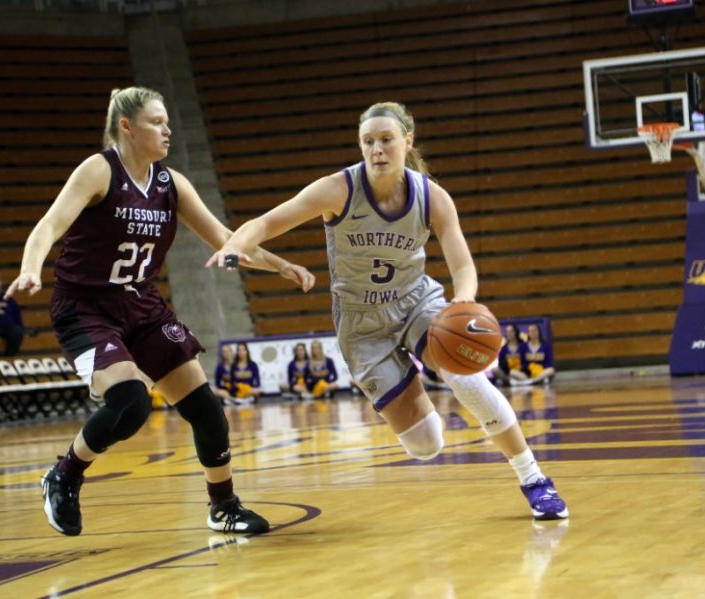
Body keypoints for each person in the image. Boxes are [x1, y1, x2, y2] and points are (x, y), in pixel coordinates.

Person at [207, 101, 568, 520]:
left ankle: (534, 479)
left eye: (386, 140)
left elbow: (463, 266)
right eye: (368, 142)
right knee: (426, 444)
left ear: (406, 142)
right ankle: (405, 378)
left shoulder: (432, 196)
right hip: (362, 325)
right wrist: (235, 245)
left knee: (464, 376)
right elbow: (265, 223)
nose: (377, 149)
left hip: (417, 301)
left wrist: (463, 300)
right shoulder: (338, 189)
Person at [5, 86, 315, 537]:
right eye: (156, 122)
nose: (167, 129)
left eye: (168, 121)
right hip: (86, 308)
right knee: (130, 403)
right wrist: (31, 268)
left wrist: (282, 264)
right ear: (126, 127)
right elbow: (50, 224)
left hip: (142, 305)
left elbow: (224, 237)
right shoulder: (99, 170)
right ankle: (65, 474)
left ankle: (223, 506)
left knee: (207, 410)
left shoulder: (172, 184)